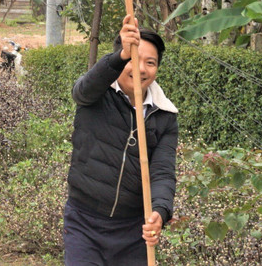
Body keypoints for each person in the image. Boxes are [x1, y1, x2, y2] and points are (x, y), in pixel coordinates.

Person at [63, 16, 177, 266]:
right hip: (84, 221)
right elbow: (81, 90)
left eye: (151, 62)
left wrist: (160, 211)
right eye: (133, 60)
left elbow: (163, 172)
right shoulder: (98, 92)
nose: (142, 69)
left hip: (133, 231)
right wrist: (118, 57)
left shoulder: (164, 114)